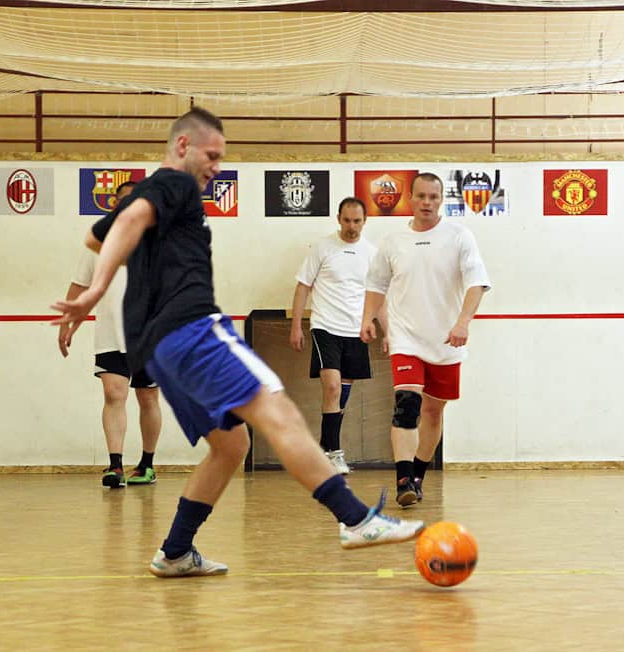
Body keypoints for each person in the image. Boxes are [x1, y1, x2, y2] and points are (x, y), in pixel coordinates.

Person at [52, 107, 424, 577]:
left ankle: (175, 551)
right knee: (279, 412)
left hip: (158, 349)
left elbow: (96, 236)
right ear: (183, 146)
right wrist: (96, 291)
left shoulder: (150, 197)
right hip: (192, 330)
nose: (217, 167)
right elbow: (126, 226)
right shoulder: (176, 185)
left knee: (231, 445)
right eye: (212, 155)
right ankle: (355, 519)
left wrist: (112, 279)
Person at [360, 172, 491, 508]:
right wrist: (367, 318)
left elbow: (477, 284)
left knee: (433, 412)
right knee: (407, 404)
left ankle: (417, 476)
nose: (427, 203)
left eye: (433, 197)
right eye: (421, 196)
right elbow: (376, 285)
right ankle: (403, 479)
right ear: (411, 199)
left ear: (441, 199)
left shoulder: (459, 236)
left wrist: (463, 322)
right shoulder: (393, 241)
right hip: (406, 338)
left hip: (447, 342)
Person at [58, 181, 163, 489]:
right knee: (114, 394)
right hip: (111, 335)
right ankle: (115, 465)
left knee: (147, 397)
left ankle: (146, 465)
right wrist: (67, 323)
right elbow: (81, 285)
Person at [290, 197, 383, 474]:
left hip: (356, 332)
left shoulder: (371, 253)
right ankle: (334, 453)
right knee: (331, 388)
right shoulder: (323, 247)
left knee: (340, 398)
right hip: (325, 327)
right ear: (338, 219)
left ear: (365, 222)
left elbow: (378, 297)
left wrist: (388, 333)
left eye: (357, 221)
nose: (352, 226)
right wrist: (296, 326)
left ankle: (324, 448)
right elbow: (303, 286)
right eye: (347, 220)